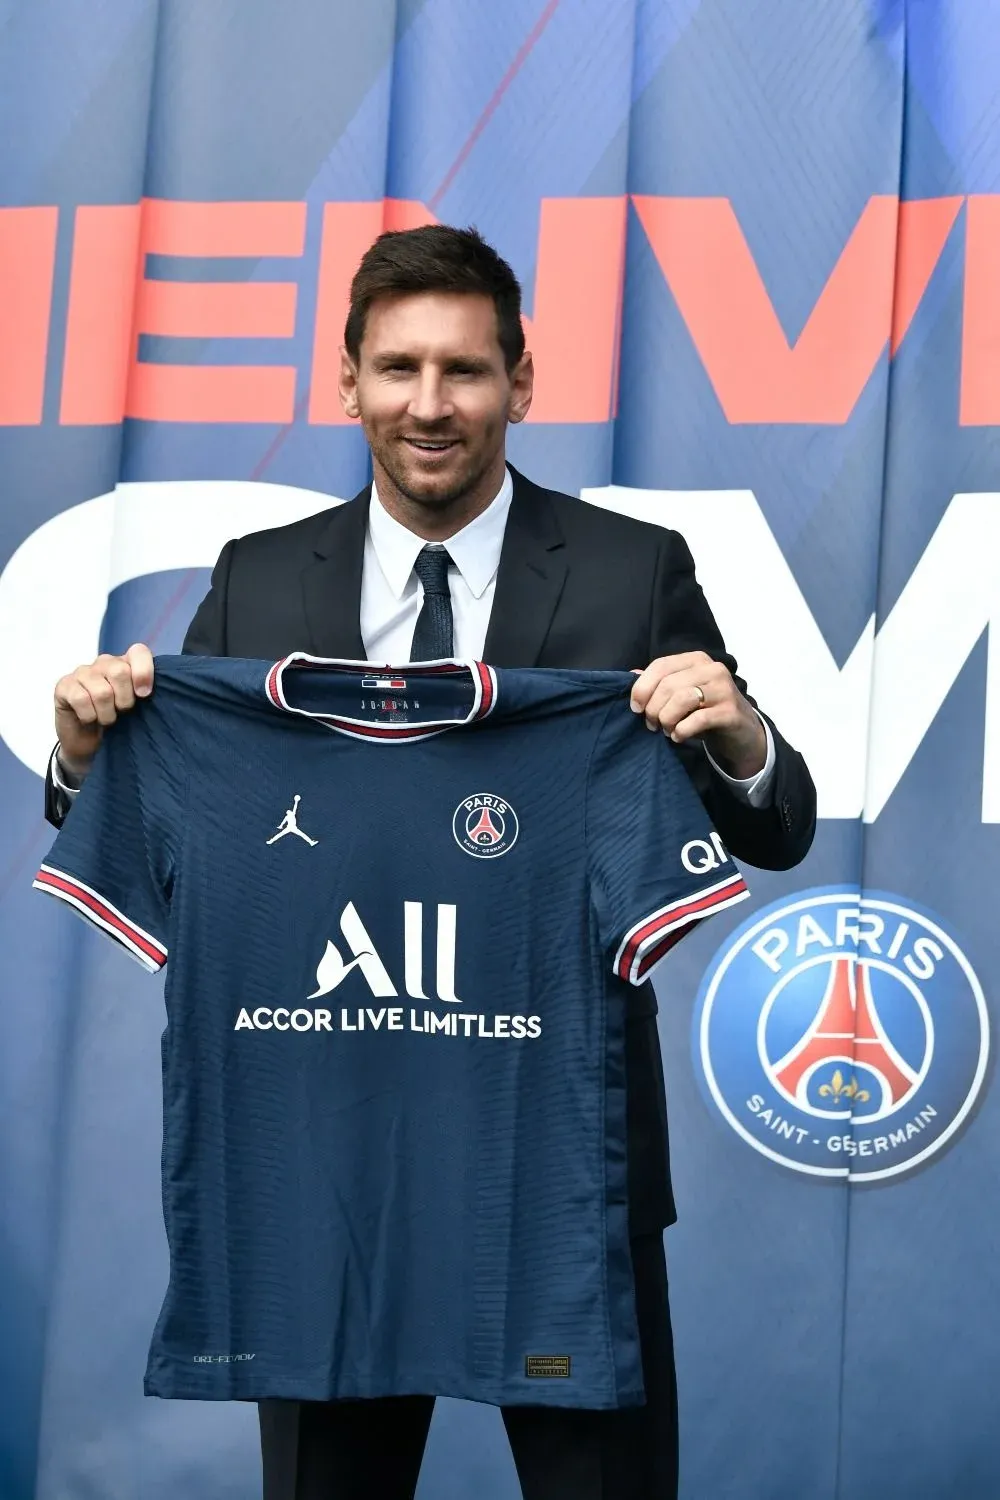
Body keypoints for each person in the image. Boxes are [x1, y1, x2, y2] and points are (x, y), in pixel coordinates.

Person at [46, 224, 816, 1500]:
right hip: (326, 1161)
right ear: (346, 383)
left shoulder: (633, 572)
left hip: (562, 1158)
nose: (430, 403)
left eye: (464, 369)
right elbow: (192, 836)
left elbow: (774, 828)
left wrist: (739, 738)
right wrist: (85, 758)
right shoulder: (257, 579)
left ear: (522, 381)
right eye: (398, 368)